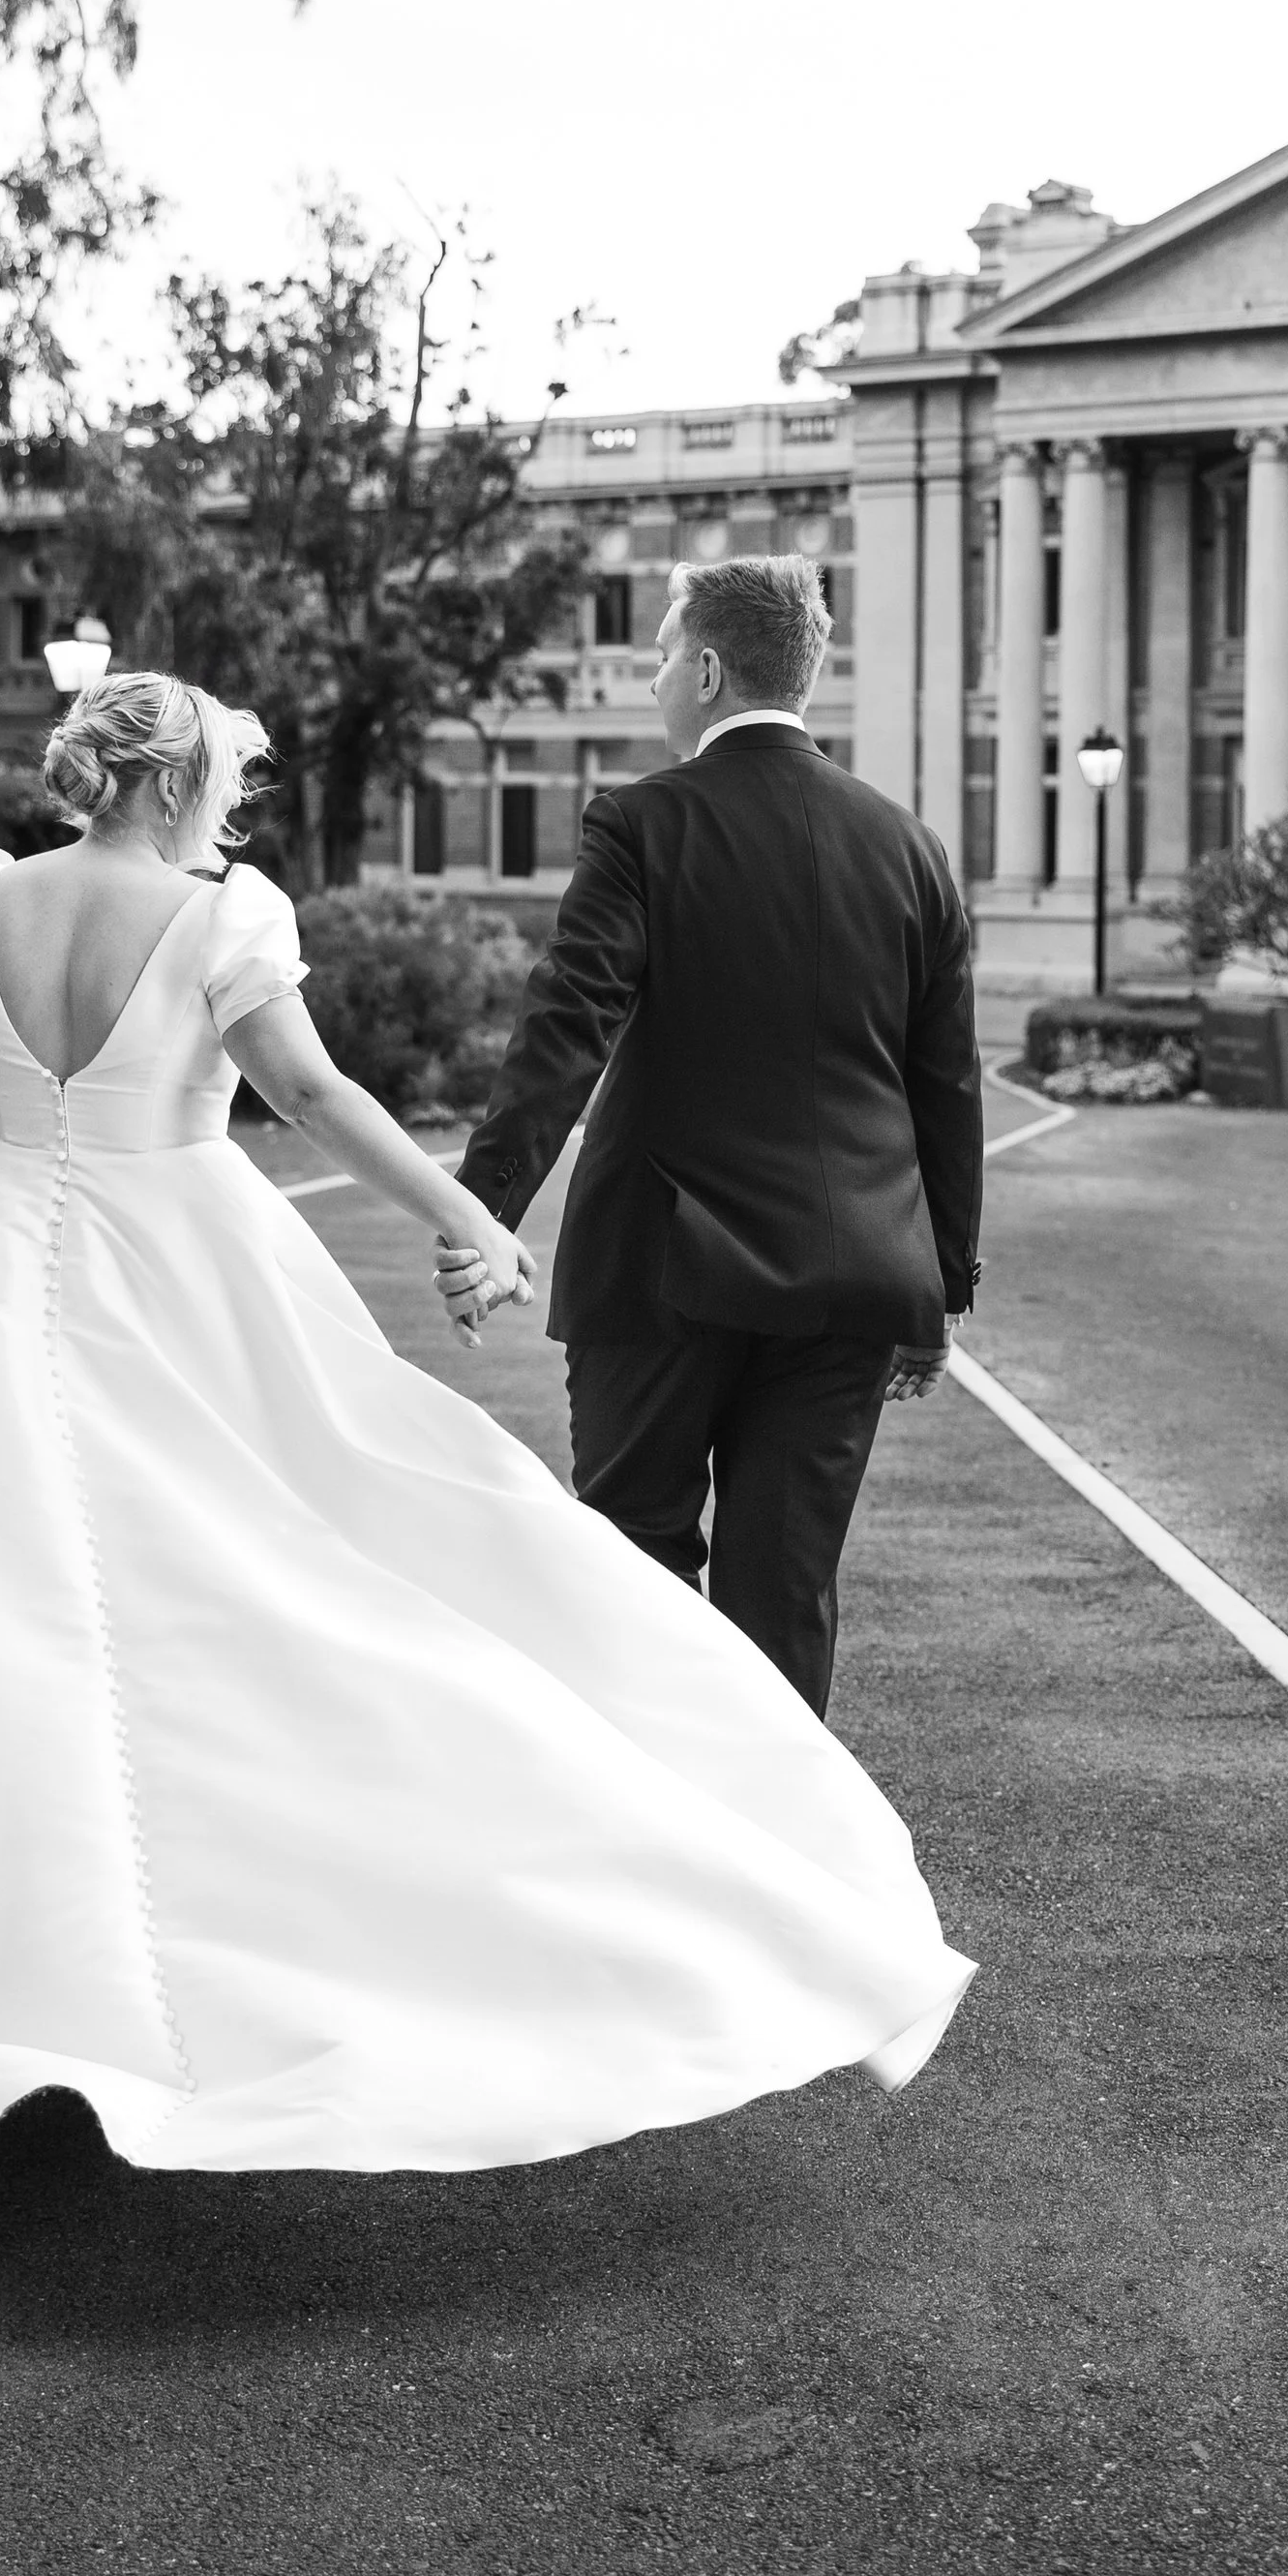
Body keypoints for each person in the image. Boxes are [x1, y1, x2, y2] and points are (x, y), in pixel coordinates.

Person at [0, 671, 973, 2264]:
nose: (235, 811)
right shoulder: (223, 920)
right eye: (228, 782)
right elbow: (312, 1094)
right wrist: (469, 1215)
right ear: (174, 783)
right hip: (182, 1270)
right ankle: (181, 1962)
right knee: (276, 1576)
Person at [441, 554, 985, 1721]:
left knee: (635, 1569)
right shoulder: (909, 845)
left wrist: (478, 1209)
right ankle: (788, 1864)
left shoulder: (642, 820)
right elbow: (946, 1082)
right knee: (784, 1591)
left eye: (657, 653)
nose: (648, 678)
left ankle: (660, 1845)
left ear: (704, 666)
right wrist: (940, 1282)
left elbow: (566, 1026)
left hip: (661, 1267)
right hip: (850, 1277)